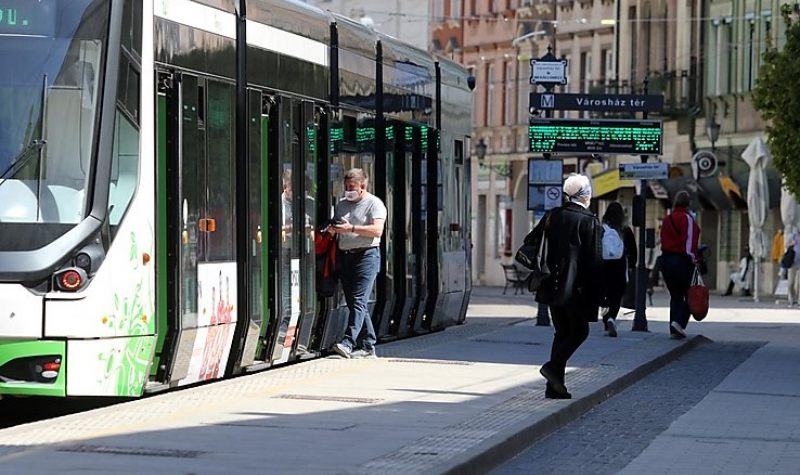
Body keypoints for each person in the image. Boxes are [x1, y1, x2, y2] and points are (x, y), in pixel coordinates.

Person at [536, 174, 603, 399]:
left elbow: (532, 241)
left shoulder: (552, 216)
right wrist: (598, 295)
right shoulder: (589, 221)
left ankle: (554, 387)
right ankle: (553, 368)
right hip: (576, 288)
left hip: (551, 284)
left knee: (562, 331)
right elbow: (594, 261)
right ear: (585, 196)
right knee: (580, 331)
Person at [328, 168, 386, 359]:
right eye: (346, 187)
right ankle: (369, 345)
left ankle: (348, 343)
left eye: (351, 187)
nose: (348, 190)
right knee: (354, 302)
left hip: (366, 256)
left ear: (363, 185)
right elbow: (338, 226)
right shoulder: (342, 204)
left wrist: (351, 228)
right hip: (346, 256)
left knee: (359, 300)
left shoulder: (374, 204)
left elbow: (377, 231)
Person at [659, 191, 700, 339]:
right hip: (681, 261)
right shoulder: (687, 219)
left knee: (675, 295)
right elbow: (689, 243)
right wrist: (694, 259)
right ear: (688, 204)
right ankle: (679, 323)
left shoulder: (667, 219)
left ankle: (673, 327)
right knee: (690, 295)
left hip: (666, 260)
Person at [600, 202, 636, 337]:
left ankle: (605, 319)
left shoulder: (601, 229)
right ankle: (611, 318)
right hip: (619, 266)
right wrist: (632, 265)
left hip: (603, 266)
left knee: (605, 294)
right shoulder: (625, 230)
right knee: (617, 294)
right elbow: (633, 250)